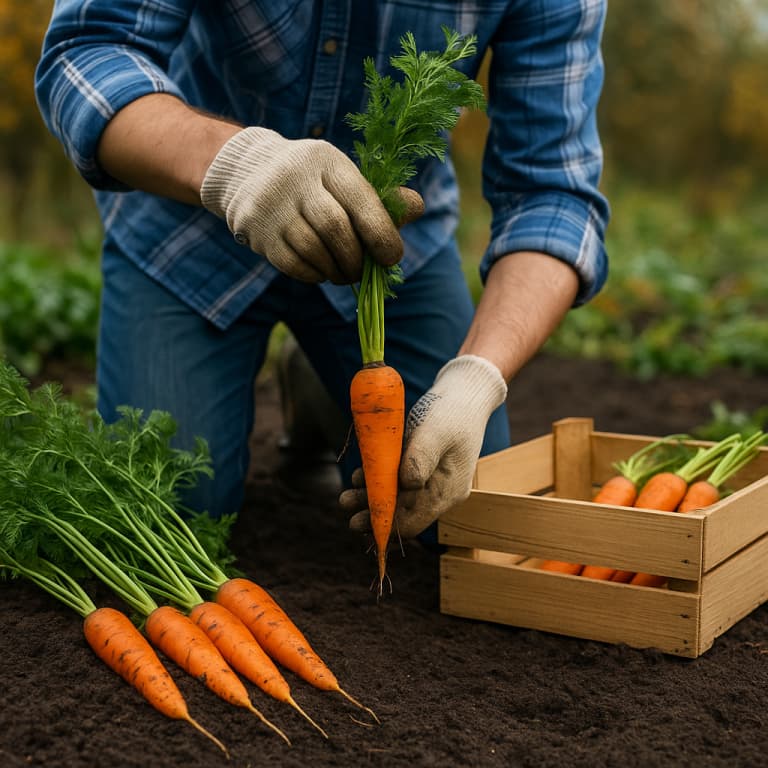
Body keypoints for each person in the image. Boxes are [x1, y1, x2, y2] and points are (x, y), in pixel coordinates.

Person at [34, 2, 609, 542]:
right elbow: (86, 52)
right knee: (167, 512)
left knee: (455, 513)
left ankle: (322, 381)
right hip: (191, 222)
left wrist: (477, 379)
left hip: (387, 257)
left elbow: (553, 194)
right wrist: (238, 164)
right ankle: (323, 368)